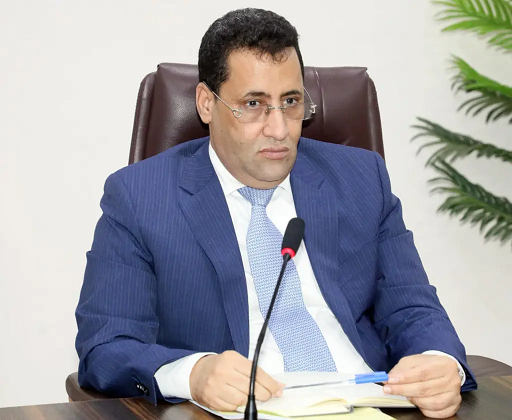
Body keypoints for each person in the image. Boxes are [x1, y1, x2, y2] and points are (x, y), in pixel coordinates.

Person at [75, 8, 476, 419]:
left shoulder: (361, 178)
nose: (280, 129)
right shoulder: (140, 197)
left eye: (291, 102)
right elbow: (106, 344)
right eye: (253, 104)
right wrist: (193, 374)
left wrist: (439, 361)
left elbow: (412, 307)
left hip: (370, 402)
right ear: (206, 104)